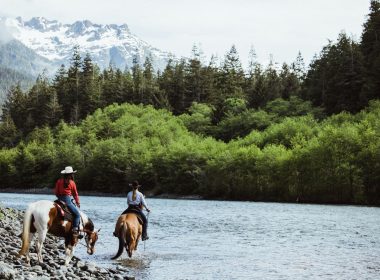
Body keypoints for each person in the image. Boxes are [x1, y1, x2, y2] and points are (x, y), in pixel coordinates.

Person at [54, 166, 81, 235]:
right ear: (71, 174)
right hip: (67, 200)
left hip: (59, 199)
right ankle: (75, 228)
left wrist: (60, 197)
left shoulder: (59, 181)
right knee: (77, 214)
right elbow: (75, 194)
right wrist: (77, 202)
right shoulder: (72, 183)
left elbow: (56, 192)